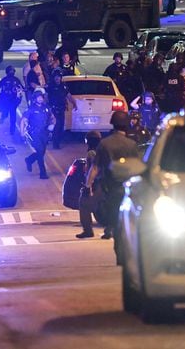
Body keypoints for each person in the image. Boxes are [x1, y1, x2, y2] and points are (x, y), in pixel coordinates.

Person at [85, 111, 138, 241]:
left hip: (109, 183)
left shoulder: (104, 143)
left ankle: (109, 228)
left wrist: (88, 185)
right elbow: (137, 167)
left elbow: (95, 167)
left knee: (110, 206)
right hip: (126, 183)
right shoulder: (131, 144)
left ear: (112, 124)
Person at [21, 89, 55, 179]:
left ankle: (29, 160)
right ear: (35, 99)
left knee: (42, 151)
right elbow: (23, 120)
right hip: (34, 133)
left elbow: (52, 118)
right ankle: (43, 173)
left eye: (41, 97)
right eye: (38, 97)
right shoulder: (31, 109)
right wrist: (22, 134)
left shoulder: (46, 107)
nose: (40, 99)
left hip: (44, 133)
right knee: (40, 151)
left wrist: (52, 126)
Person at [76, 131, 103, 239]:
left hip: (97, 183)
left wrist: (88, 186)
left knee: (83, 203)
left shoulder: (92, 153)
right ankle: (109, 229)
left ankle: (87, 230)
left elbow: (93, 169)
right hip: (108, 182)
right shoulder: (104, 150)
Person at [46, 70, 77, 149]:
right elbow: (46, 97)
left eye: (58, 77)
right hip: (53, 109)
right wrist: (47, 107)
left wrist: (74, 104)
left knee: (61, 127)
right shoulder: (50, 87)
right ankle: (55, 144)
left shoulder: (63, 86)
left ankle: (57, 141)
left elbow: (68, 96)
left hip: (61, 109)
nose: (57, 78)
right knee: (56, 126)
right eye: (56, 77)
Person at [0, 66, 24, 135]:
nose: (11, 73)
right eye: (10, 71)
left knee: (13, 113)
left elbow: (22, 88)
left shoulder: (16, 80)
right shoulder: (4, 80)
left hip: (13, 100)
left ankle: (12, 129)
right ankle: (3, 116)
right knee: (5, 111)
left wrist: (21, 91)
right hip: (5, 99)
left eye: (12, 71)